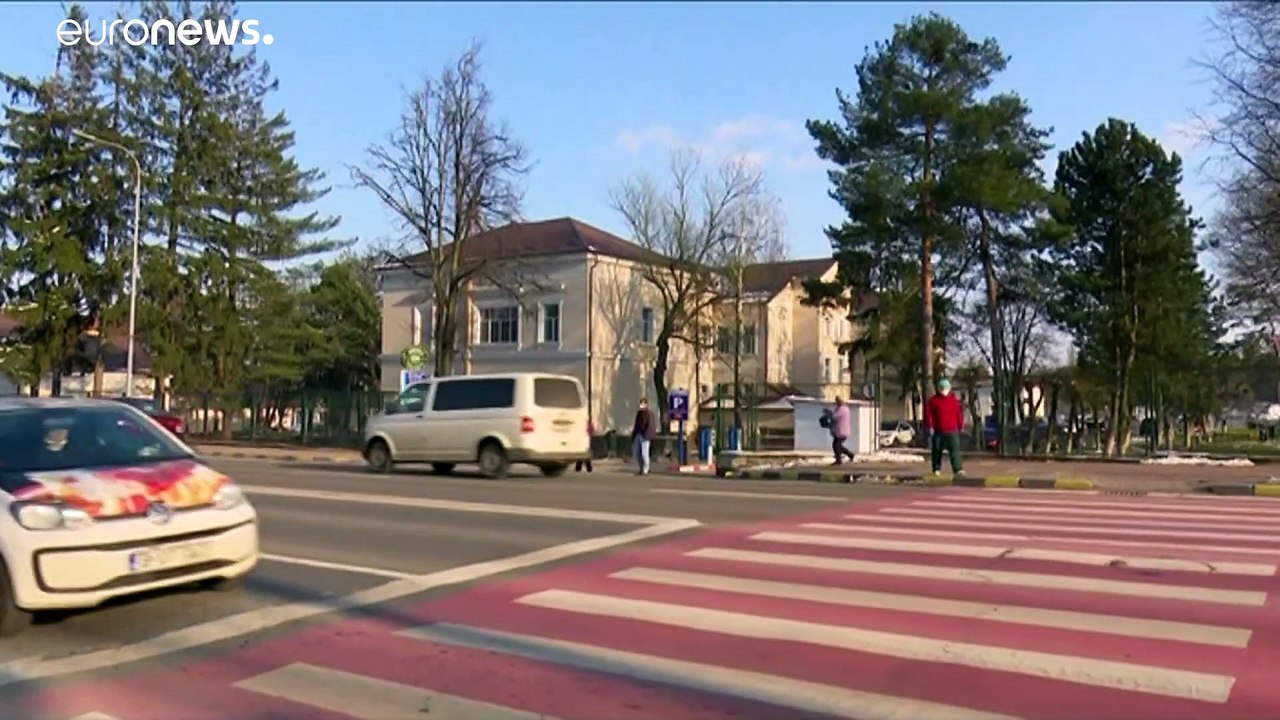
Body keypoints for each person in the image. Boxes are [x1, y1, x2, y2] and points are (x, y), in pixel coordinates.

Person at [923, 378, 965, 476]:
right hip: (938, 430)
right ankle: (936, 469)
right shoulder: (933, 401)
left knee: (954, 450)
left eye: (945, 387)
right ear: (938, 388)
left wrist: (960, 425)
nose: (943, 389)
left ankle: (957, 469)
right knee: (937, 451)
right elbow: (928, 415)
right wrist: (930, 426)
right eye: (942, 387)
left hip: (952, 430)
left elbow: (958, 414)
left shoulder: (953, 400)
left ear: (949, 388)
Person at [631, 398, 655, 475]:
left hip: (645, 436)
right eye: (641, 403)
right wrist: (634, 434)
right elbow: (636, 425)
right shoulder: (639, 413)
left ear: (646, 404)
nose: (641, 405)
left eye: (643, 403)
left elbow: (651, 426)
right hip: (638, 435)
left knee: (644, 453)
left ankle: (646, 469)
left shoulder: (649, 414)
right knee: (636, 452)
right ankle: (641, 467)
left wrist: (648, 435)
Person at [829, 396, 856, 464]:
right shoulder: (840, 408)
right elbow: (834, 415)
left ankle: (838, 460)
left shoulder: (843, 409)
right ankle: (850, 455)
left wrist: (829, 414)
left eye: (838, 401)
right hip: (840, 430)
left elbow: (835, 417)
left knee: (836, 445)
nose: (837, 402)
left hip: (841, 431)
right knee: (838, 445)